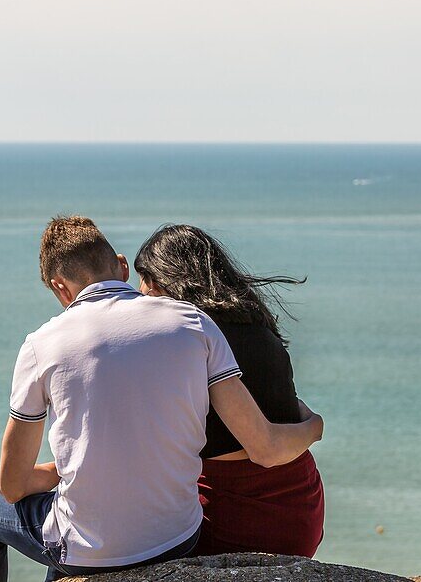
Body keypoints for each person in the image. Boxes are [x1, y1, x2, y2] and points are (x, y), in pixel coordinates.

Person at [0, 216, 323, 582]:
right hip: (194, 534)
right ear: (119, 266)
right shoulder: (202, 324)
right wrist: (314, 424)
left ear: (59, 287)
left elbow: (12, 487)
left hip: (113, 545)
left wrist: (68, 471)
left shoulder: (42, 344)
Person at [134, 224, 325, 558]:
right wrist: (311, 424)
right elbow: (278, 401)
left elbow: (263, 448)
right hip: (301, 506)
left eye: (146, 286)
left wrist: (314, 427)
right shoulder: (256, 325)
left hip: (238, 515)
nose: (141, 297)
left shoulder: (191, 338)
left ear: (165, 281)